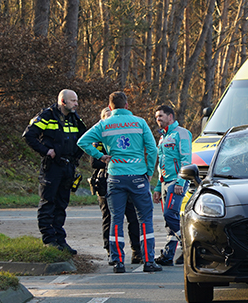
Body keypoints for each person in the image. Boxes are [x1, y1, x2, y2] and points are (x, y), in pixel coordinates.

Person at [78, 91, 161, 274]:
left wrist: (100, 156)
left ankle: (117, 262)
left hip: (115, 177)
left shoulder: (104, 124)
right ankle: (148, 261)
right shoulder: (139, 122)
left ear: (110, 107)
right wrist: (148, 171)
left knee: (116, 219)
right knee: (144, 219)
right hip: (138, 176)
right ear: (127, 105)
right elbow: (152, 149)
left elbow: (82, 142)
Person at [23, 89, 87, 254]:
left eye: (76, 100)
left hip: (68, 166)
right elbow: (29, 135)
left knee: (62, 204)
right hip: (52, 166)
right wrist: (46, 151)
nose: (76, 104)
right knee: (48, 202)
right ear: (63, 101)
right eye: (73, 100)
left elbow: (83, 138)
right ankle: (49, 240)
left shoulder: (74, 118)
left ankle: (60, 239)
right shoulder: (47, 115)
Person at [90, 107, 144, 266]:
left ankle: (137, 251)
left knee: (133, 217)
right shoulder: (99, 136)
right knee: (110, 218)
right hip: (107, 181)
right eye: (108, 116)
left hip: (127, 178)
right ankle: (111, 251)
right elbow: (94, 162)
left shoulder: (125, 133)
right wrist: (112, 159)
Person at [152, 104, 192, 266]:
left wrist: (181, 181)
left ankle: (187, 244)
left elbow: (186, 159)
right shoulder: (162, 137)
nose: (158, 119)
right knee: (169, 220)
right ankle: (168, 256)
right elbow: (160, 164)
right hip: (164, 182)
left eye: (160, 116)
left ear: (170, 116)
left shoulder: (181, 133)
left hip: (176, 180)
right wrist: (156, 187)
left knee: (170, 214)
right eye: (156, 117)